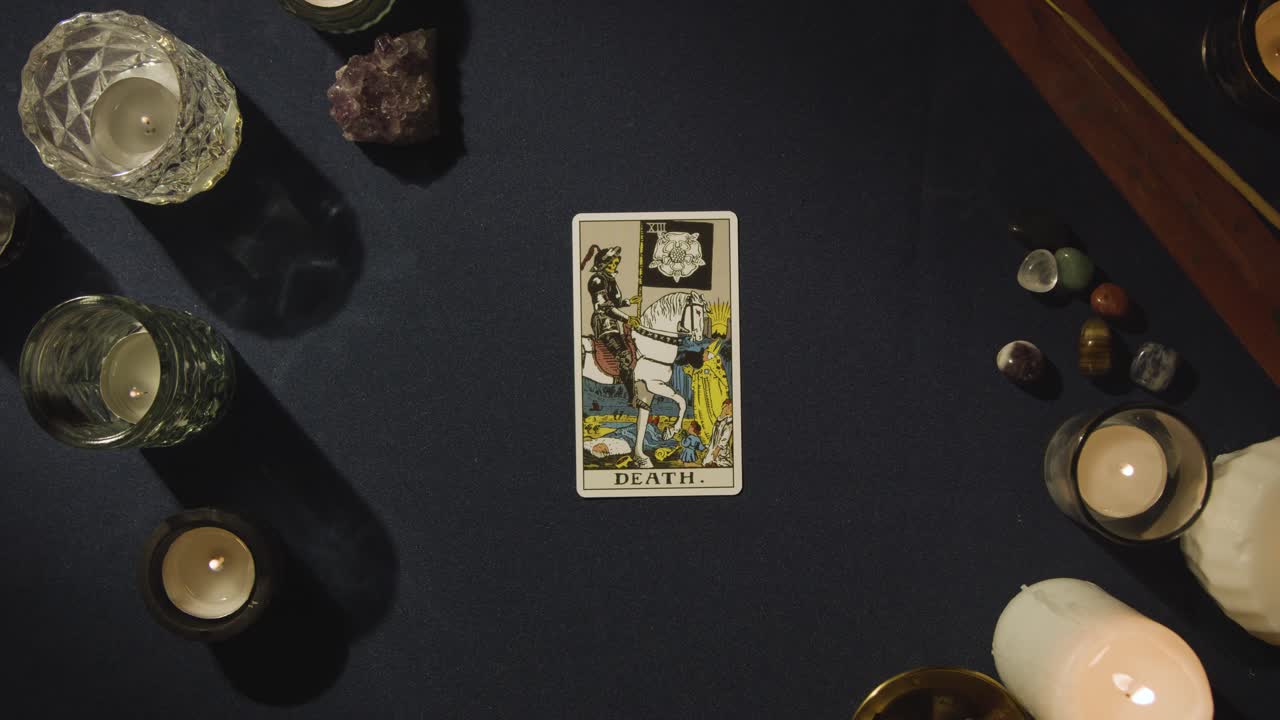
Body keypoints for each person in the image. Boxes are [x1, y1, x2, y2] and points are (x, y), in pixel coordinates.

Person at [582, 244, 644, 407]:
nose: (615, 266)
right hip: (603, 323)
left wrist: (628, 302)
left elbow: (614, 303)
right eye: (613, 263)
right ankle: (632, 399)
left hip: (612, 322)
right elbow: (605, 307)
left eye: (616, 263)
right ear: (603, 263)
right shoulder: (597, 280)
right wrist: (627, 319)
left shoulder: (609, 278)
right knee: (625, 356)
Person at [683, 337, 729, 444]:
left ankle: (716, 440)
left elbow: (722, 377)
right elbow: (692, 373)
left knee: (715, 415)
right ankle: (706, 440)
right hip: (701, 396)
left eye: (705, 352)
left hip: (715, 395)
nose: (704, 354)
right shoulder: (699, 365)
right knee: (702, 416)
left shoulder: (714, 361)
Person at [704, 399, 733, 467]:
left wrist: (718, 449)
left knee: (719, 464)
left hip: (721, 449)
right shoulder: (718, 420)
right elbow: (714, 435)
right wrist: (709, 446)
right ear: (724, 406)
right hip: (713, 447)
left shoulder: (728, 421)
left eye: (731, 407)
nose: (729, 409)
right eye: (728, 406)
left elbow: (725, 437)